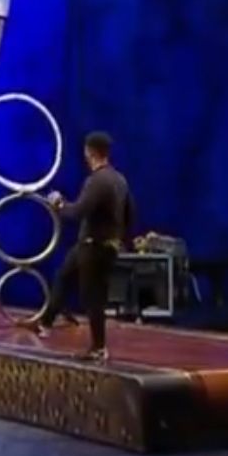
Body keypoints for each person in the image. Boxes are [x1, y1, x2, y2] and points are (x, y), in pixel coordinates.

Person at [23, 131, 135, 360]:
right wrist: (119, 237)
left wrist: (58, 204)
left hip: (95, 247)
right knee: (64, 276)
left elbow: (77, 212)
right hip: (98, 246)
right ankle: (45, 323)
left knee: (93, 296)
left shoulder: (97, 181)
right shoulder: (120, 180)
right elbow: (130, 213)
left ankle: (99, 348)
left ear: (89, 152)